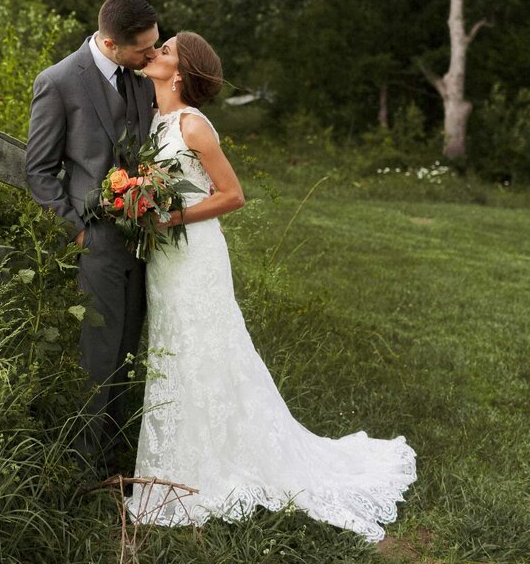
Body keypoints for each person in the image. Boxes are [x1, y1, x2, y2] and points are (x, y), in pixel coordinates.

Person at [126, 32, 417, 542]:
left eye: (166, 50)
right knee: (175, 351)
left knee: (210, 348)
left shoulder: (193, 125)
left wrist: (174, 216)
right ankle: (183, 455)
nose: (156, 52)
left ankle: (221, 465)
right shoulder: (153, 120)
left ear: (180, 72)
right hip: (165, 262)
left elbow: (233, 195)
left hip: (195, 256)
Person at [25, 0, 160, 475]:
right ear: (109, 42)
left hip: (147, 243)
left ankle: (115, 458)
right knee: (97, 357)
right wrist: (77, 233)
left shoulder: (144, 80)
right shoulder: (59, 82)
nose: (153, 56)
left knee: (130, 350)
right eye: (144, 49)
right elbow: (39, 171)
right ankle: (79, 469)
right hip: (96, 241)